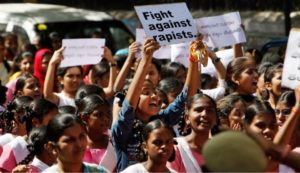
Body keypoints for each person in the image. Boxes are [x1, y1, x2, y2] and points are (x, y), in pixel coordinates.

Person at [112, 37, 199, 171]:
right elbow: (130, 104)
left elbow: (186, 97)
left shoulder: (162, 120)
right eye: (146, 92)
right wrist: (146, 59)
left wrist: (193, 56)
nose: (154, 96)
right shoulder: (124, 127)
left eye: (155, 91)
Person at [0, 98, 58, 172]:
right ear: (35, 122)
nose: (57, 125)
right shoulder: (15, 147)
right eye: (52, 121)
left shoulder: (58, 144)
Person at [43, 113, 108, 173]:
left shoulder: (98, 171)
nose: (79, 145)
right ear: (52, 147)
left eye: (81, 136)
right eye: (70, 140)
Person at [169, 93, 217, 172]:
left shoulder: (222, 150)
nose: (204, 114)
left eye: (209, 110)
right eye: (198, 110)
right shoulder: (176, 147)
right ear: (187, 118)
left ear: (216, 119)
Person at [76, 94, 116, 172]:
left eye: (108, 114)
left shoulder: (113, 142)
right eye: (99, 115)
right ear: (84, 118)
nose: (106, 119)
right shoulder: (76, 143)